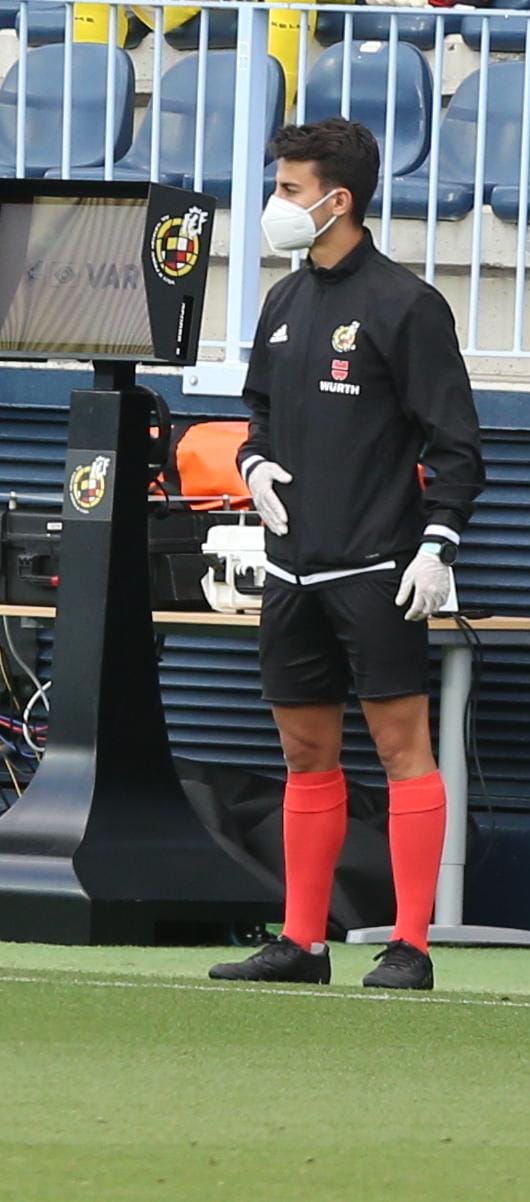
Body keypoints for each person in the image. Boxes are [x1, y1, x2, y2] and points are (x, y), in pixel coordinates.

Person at [208, 117, 485, 991]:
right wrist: (252, 462)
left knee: (403, 745)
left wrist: (437, 543)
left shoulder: (408, 305)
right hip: (291, 568)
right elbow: (256, 413)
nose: (275, 206)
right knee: (302, 751)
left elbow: (458, 447)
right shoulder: (284, 302)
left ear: (339, 200)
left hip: (379, 566)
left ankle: (411, 945)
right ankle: (303, 942)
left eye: (288, 190)